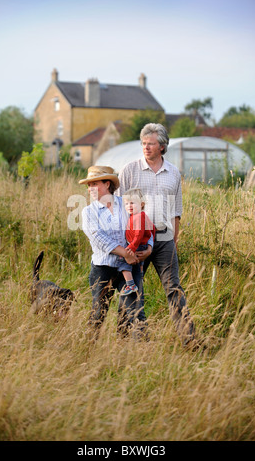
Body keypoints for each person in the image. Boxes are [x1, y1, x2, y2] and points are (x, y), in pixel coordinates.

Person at [117, 123, 196, 346]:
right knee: (133, 288)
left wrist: (174, 241)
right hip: (136, 241)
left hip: (163, 238)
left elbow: (176, 211)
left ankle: (189, 340)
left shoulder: (173, 173)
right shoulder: (129, 170)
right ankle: (129, 338)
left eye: (151, 143)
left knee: (174, 288)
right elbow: (118, 208)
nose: (146, 147)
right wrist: (126, 246)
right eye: (143, 143)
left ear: (162, 146)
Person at [79, 165, 152, 339]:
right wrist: (125, 253)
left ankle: (136, 350)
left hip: (129, 267)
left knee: (134, 308)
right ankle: (87, 348)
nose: (90, 189)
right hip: (103, 267)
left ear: (107, 184)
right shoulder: (88, 212)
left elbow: (144, 224)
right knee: (98, 312)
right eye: (88, 185)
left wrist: (149, 248)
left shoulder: (126, 204)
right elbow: (98, 238)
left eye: (94, 184)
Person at [119, 188, 156, 296]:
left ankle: (130, 284)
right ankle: (139, 276)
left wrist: (131, 247)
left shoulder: (139, 217)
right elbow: (153, 228)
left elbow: (139, 234)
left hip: (137, 245)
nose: (129, 206)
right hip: (141, 245)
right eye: (126, 204)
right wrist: (150, 239)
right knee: (139, 264)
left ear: (142, 204)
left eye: (132, 203)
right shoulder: (138, 215)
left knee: (123, 261)